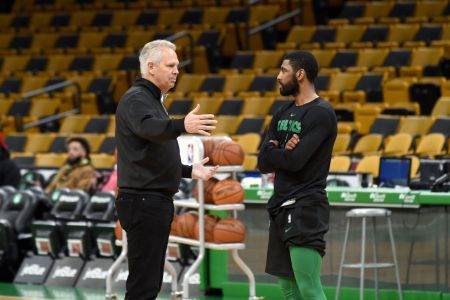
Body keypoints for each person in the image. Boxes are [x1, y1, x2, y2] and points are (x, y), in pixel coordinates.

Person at [115, 40, 218, 300]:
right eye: (170, 65)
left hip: (150, 200)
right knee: (143, 286)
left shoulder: (151, 100)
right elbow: (150, 130)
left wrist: (188, 171)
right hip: (144, 201)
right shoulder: (136, 99)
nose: (176, 71)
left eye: (177, 66)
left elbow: (149, 153)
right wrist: (183, 124)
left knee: (148, 283)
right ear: (150, 67)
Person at [257, 51, 337, 300]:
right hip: (280, 206)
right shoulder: (282, 112)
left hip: (306, 208)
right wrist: (280, 151)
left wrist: (276, 151)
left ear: (300, 74)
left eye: (283, 70)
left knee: (309, 288)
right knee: (289, 289)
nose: (278, 76)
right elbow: (261, 161)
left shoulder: (321, 113)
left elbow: (296, 161)